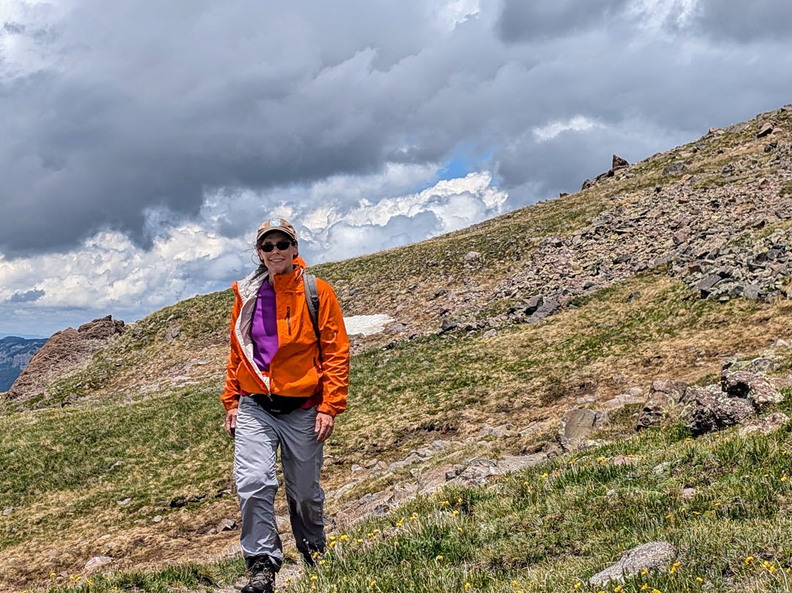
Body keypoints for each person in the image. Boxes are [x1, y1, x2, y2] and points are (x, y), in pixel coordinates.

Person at [221, 217, 350, 593]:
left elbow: (336, 352)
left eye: (282, 244)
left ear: (295, 249)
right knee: (254, 480)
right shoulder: (246, 294)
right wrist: (231, 400)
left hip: (304, 407)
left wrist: (329, 406)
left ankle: (314, 551)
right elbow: (238, 352)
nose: (275, 252)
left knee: (305, 491)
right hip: (255, 406)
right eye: (267, 246)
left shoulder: (317, 291)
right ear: (258, 253)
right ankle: (262, 567)